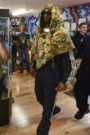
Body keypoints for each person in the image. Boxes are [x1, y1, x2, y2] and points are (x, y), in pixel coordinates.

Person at [31, 4, 76, 135]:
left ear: (54, 15)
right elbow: (35, 51)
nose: (46, 15)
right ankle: (54, 109)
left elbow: (70, 61)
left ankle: (43, 130)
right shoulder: (38, 31)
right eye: (44, 13)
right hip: (40, 71)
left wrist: (65, 81)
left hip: (53, 73)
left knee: (48, 104)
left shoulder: (61, 33)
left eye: (49, 13)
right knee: (39, 95)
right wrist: (34, 67)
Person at [72, 22, 90, 119]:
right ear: (79, 28)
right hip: (78, 61)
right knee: (77, 83)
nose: (84, 29)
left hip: (88, 62)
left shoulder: (89, 37)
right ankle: (82, 108)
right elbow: (74, 50)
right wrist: (75, 60)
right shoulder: (75, 37)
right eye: (83, 27)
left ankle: (86, 107)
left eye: (86, 28)